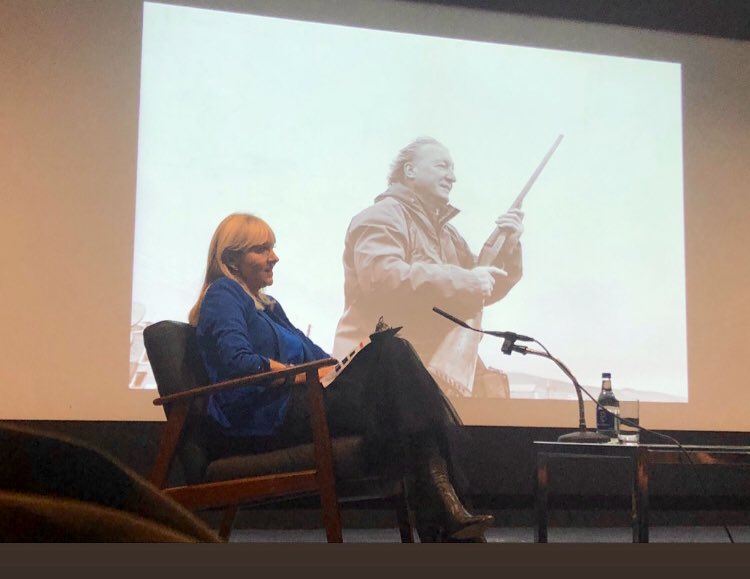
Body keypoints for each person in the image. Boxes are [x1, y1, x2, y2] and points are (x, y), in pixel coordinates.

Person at [188, 212, 494, 542]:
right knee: (397, 372)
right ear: (232, 259)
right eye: (262, 249)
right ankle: (445, 514)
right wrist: (301, 377)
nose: (274, 257)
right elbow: (240, 363)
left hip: (296, 405)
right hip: (262, 417)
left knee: (393, 360)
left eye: (272, 247)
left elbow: (322, 360)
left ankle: (445, 514)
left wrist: (361, 354)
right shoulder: (224, 294)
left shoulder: (268, 306)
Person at [333, 137, 524, 397]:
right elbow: (382, 279)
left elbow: (482, 286)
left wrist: (508, 248)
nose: (452, 177)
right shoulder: (381, 216)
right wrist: (467, 280)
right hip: (380, 373)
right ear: (410, 170)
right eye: (442, 166)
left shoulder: (448, 234)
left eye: (452, 169)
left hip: (426, 373)